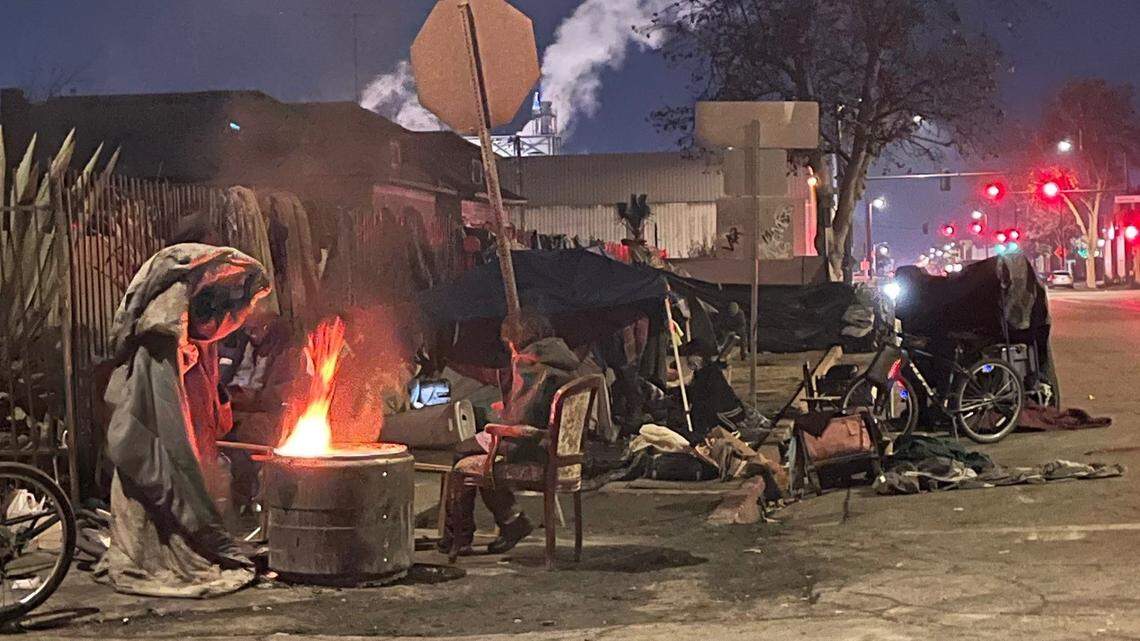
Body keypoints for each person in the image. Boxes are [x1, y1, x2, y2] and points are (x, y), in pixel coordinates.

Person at [96, 244, 270, 598]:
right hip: (150, 446)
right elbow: (162, 442)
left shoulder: (197, 339)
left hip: (182, 446)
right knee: (154, 516)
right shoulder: (161, 348)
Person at [440, 310, 583, 557]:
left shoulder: (530, 363)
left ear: (516, 339)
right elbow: (542, 407)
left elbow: (521, 417)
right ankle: (510, 521)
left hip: (533, 445)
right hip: (559, 448)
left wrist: (501, 419)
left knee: (462, 456)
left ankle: (459, 537)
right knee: (480, 459)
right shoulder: (562, 360)